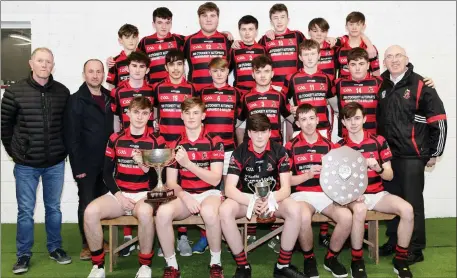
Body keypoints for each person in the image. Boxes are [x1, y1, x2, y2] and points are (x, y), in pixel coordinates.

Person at [1, 47, 71, 274]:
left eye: (48, 62)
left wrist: (63, 150)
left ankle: (55, 248)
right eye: (40, 61)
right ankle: (23, 254)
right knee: (25, 211)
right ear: (31, 63)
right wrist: (17, 154)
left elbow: (66, 127)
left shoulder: (62, 92)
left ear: (53, 65)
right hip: (25, 165)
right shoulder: (14, 92)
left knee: (54, 208)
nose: (44, 65)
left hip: (55, 163)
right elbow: (5, 127)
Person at [377, 45, 448, 265]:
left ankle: (414, 248)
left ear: (407, 59)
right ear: (384, 62)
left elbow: (439, 120)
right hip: (388, 157)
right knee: (391, 201)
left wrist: (435, 152)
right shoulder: (381, 84)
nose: (394, 60)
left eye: (398, 56)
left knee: (412, 204)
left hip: (412, 156)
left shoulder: (420, 84)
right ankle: (393, 241)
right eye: (389, 57)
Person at [84, 96, 165, 278]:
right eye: (136, 112)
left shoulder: (156, 141)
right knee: (90, 212)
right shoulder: (115, 138)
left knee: (144, 213)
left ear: (150, 115)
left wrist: (144, 165)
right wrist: (119, 195)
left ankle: (145, 266)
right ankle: (98, 267)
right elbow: (106, 173)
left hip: (145, 194)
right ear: (128, 113)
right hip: (120, 194)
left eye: (144, 113)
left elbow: (160, 178)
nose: (139, 117)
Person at [220, 113, 306, 278]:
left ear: (270, 132)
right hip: (245, 199)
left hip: (273, 198)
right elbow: (230, 189)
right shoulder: (239, 152)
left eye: (263, 131)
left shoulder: (279, 150)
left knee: (295, 209)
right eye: (255, 131)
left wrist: (270, 199)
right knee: (225, 211)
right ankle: (243, 266)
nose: (260, 136)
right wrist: (252, 200)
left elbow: (286, 188)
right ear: (249, 133)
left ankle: (282, 265)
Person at [339, 102, 415, 278]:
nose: (353, 123)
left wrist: (378, 168)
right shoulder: (339, 147)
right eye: (349, 119)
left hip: (378, 194)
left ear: (365, 119)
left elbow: (389, 176)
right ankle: (357, 260)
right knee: (359, 210)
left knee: (408, 210)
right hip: (354, 198)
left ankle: (401, 259)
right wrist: (352, 195)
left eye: (357, 118)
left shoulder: (378, 141)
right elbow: (336, 183)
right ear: (343, 122)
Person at [155, 97, 225, 278]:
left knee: (210, 213)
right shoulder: (175, 144)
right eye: (187, 113)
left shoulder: (215, 140)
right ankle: (172, 266)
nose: (191, 117)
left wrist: (188, 164)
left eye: (195, 113)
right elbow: (171, 182)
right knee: (162, 213)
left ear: (203, 115)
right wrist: (185, 196)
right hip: (186, 195)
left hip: (209, 193)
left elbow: (215, 180)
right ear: (181, 116)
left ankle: (215, 263)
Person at [285, 104, 353, 278]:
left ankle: (331, 258)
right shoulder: (289, 146)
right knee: (304, 216)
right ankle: (309, 258)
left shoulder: (331, 146)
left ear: (318, 119)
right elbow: (286, 181)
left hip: (326, 195)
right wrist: (306, 175)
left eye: (311, 118)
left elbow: (342, 176)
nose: (308, 123)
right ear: (298, 123)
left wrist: (340, 193)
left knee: (346, 217)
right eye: (303, 119)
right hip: (301, 194)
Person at [64, 59, 113, 260]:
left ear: (103, 74)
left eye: (98, 72)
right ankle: (87, 243)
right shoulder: (76, 100)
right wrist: (78, 167)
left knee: (103, 203)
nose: (95, 75)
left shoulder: (110, 97)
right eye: (91, 72)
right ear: (84, 75)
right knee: (86, 201)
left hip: (108, 162)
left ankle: (100, 238)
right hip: (86, 163)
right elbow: (71, 136)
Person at [283, 40, 334, 140]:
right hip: (301, 128)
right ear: (300, 57)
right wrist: (291, 109)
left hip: (323, 128)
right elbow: (281, 101)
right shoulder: (291, 78)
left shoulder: (327, 78)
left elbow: (335, 106)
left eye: (313, 54)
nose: (310, 58)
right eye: (306, 54)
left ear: (319, 55)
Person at [201, 57, 241, 183]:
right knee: (211, 184)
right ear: (209, 72)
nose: (219, 74)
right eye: (215, 71)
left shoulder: (236, 93)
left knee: (228, 186)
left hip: (229, 147)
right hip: (209, 147)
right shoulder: (202, 92)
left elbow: (240, 121)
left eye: (222, 70)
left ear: (228, 71)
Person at [229, 15, 267, 145]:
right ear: (239, 31)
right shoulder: (234, 50)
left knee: (259, 132)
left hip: (258, 97)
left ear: (256, 31)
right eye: (243, 29)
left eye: (250, 29)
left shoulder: (263, 49)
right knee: (240, 129)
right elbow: (225, 70)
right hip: (240, 97)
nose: (247, 33)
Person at [332, 47, 382, 139]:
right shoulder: (338, 84)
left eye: (361, 64)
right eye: (353, 64)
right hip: (347, 138)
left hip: (373, 137)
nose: (357, 68)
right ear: (347, 66)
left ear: (368, 65)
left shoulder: (379, 83)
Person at [183, 2, 233, 91]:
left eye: (212, 16)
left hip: (221, 97)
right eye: (204, 16)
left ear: (218, 19)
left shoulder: (228, 41)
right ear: (199, 18)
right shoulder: (188, 41)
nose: (208, 19)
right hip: (196, 98)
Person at [335, 11, 380, 79]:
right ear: (346, 27)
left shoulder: (370, 48)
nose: (354, 28)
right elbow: (335, 73)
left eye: (358, 24)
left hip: (365, 87)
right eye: (351, 24)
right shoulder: (339, 48)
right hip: (344, 88)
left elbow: (376, 74)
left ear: (363, 26)